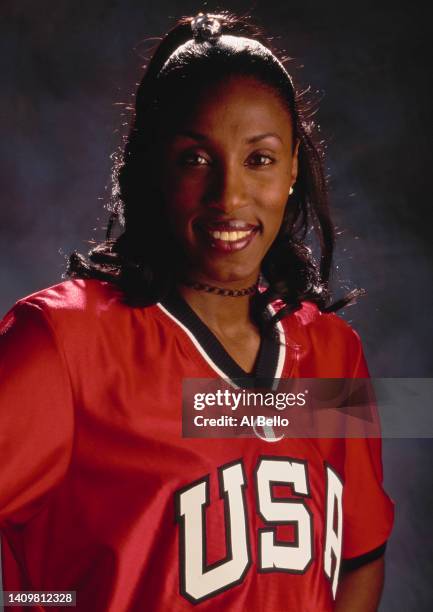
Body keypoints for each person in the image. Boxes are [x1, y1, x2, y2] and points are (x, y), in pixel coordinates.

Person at [0, 11, 394, 611]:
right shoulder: (62, 342)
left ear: (292, 169)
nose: (229, 196)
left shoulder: (336, 352)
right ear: (152, 167)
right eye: (196, 158)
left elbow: (362, 555)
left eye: (259, 159)